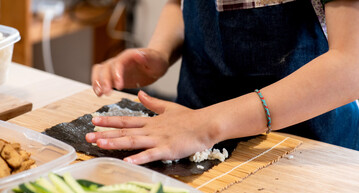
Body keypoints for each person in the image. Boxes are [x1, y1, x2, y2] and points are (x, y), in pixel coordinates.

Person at [86, 0, 359, 165]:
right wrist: (159, 52)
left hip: (301, 153)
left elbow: (351, 65)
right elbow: (178, 5)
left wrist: (207, 126)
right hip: (189, 140)